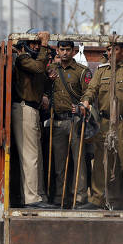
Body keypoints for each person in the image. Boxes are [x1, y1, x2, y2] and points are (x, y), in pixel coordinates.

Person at [81, 40, 123, 209]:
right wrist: (86, 101)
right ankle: (96, 200)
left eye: (115, 48)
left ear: (122, 51)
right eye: (108, 49)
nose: (111, 52)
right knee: (101, 162)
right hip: (105, 122)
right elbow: (91, 89)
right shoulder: (101, 71)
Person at [48, 40, 93, 208]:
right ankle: (60, 197)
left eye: (68, 49)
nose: (65, 52)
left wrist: (83, 105)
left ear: (73, 51)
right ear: (57, 50)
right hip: (58, 121)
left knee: (78, 161)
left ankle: (80, 197)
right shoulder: (51, 70)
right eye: (62, 49)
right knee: (59, 165)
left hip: (75, 121)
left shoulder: (82, 71)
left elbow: (88, 91)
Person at [12, 29, 53, 209]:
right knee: (30, 156)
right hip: (24, 108)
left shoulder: (33, 60)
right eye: (33, 43)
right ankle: (31, 198)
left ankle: (37, 195)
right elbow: (38, 68)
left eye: (38, 43)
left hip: (31, 109)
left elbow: (40, 75)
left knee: (35, 155)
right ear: (25, 45)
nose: (36, 46)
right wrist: (44, 44)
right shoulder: (23, 59)